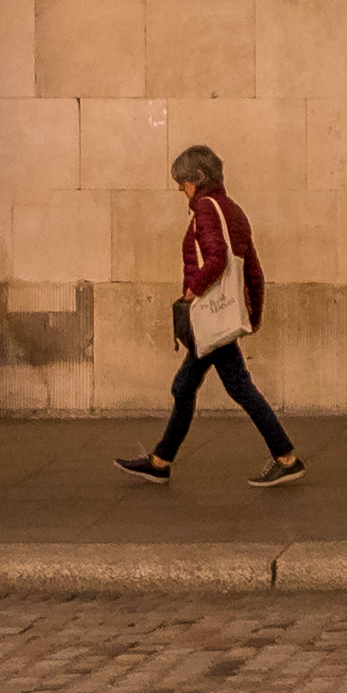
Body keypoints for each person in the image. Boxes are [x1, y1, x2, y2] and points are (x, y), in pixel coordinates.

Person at [122, 142, 301, 484]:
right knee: (190, 386)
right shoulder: (232, 208)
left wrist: (194, 290)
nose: (182, 192)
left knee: (229, 386)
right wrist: (251, 311)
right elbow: (253, 268)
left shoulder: (206, 208)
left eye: (184, 184)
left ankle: (286, 456)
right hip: (222, 315)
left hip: (210, 314)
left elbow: (216, 259)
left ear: (199, 178)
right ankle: (161, 461)